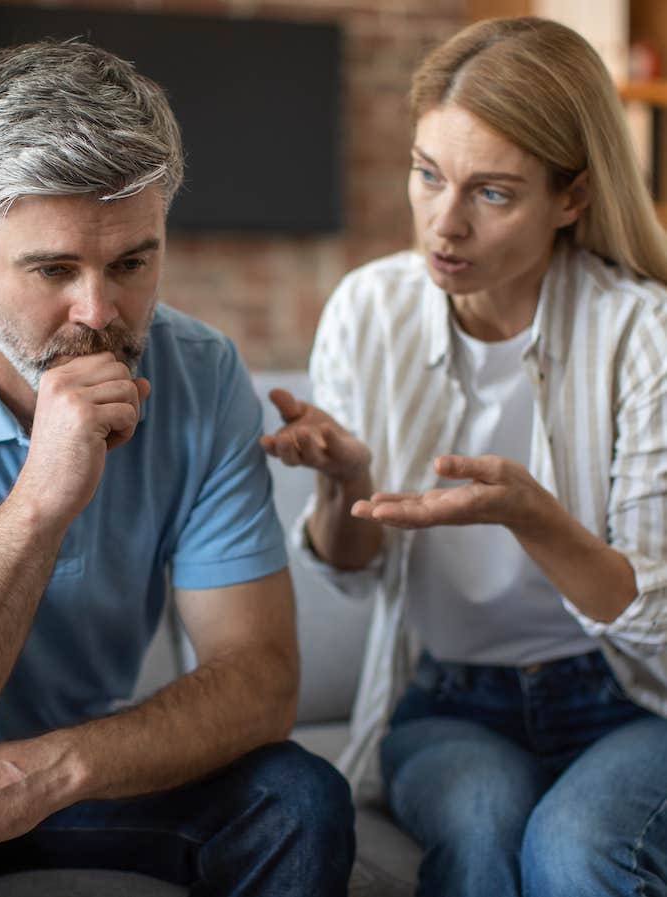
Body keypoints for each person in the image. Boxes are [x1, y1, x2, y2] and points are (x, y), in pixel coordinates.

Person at [0, 40, 355, 897]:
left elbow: (259, 681)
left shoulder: (203, 373)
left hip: (77, 763)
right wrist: (39, 500)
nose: (99, 314)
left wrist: (45, 770)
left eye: (132, 263)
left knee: (300, 801)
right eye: (53, 269)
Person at [263, 15, 667, 897]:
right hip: (448, 701)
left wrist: (535, 517)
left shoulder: (643, 335)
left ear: (573, 197)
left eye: (491, 193)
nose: (443, 225)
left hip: (625, 700)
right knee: (479, 833)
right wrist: (348, 485)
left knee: (575, 848)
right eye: (428, 175)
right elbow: (352, 572)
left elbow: (658, 615)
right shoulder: (370, 311)